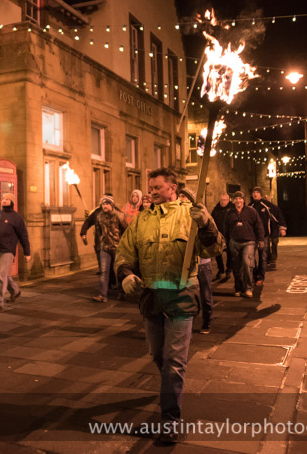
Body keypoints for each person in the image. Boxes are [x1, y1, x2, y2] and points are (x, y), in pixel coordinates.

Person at [115, 169, 224, 443]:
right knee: (158, 357)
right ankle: (169, 391)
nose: (151, 191)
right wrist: (126, 274)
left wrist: (207, 224)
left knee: (174, 362)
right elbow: (125, 252)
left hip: (181, 296)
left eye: (157, 187)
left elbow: (215, 249)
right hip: (151, 298)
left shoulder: (191, 215)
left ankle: (169, 421)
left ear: (172, 188)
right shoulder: (142, 219)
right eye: (149, 187)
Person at [0, 192, 31, 312]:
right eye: (3, 199)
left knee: (1, 276)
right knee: (3, 274)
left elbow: (23, 236)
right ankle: (15, 291)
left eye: (7, 199)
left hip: (8, 250)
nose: (4, 200)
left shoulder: (17, 218)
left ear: (12, 202)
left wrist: (27, 252)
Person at [178, 187, 212, 335]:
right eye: (181, 197)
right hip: (187, 264)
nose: (183, 200)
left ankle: (207, 322)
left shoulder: (202, 215)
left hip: (202, 263)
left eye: (186, 197)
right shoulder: (178, 217)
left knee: (205, 295)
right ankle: (185, 324)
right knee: (185, 295)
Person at [223, 191, 264, 298]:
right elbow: (225, 229)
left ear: (243, 200)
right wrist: (225, 242)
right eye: (236, 199)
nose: (238, 201)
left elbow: (258, 225)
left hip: (249, 242)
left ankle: (248, 288)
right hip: (234, 242)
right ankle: (238, 288)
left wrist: (261, 240)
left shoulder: (251, 211)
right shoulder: (229, 213)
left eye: (240, 199)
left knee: (247, 263)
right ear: (233, 200)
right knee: (236, 266)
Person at [92, 195, 127, 303]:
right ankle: (102, 295)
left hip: (117, 247)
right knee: (104, 271)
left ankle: (122, 292)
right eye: (103, 204)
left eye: (107, 204)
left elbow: (125, 230)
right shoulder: (99, 216)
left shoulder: (119, 216)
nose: (105, 206)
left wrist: (123, 245)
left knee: (119, 271)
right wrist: (99, 244)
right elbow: (98, 232)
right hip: (105, 248)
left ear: (111, 205)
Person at [249, 186, 287, 276]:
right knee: (252, 255)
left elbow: (278, 214)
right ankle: (255, 272)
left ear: (260, 194)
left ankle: (261, 272)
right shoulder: (250, 206)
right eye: (254, 192)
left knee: (263, 254)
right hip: (253, 235)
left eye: (257, 192)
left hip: (264, 234)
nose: (255, 194)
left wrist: (282, 228)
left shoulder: (267, 205)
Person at [210, 193, 235, 280]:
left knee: (230, 254)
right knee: (218, 253)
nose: (223, 202)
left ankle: (229, 270)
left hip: (229, 235)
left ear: (228, 200)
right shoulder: (216, 209)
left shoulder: (232, 209)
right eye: (222, 200)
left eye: (225, 200)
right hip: (218, 235)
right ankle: (220, 270)